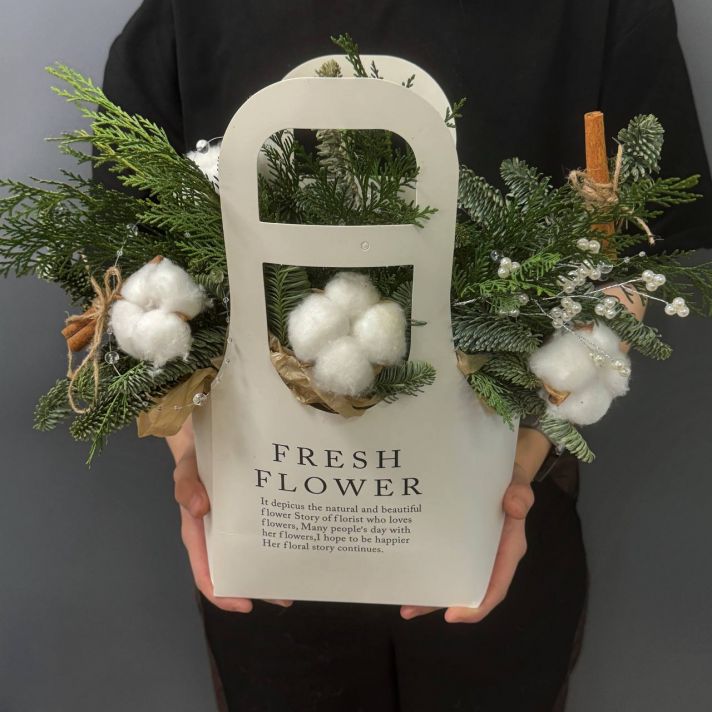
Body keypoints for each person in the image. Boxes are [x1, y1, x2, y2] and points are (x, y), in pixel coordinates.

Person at [98, 1, 712, 709]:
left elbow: (626, 248)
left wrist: (521, 467)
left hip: (497, 509)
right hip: (265, 508)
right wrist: (190, 459)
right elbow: (124, 257)